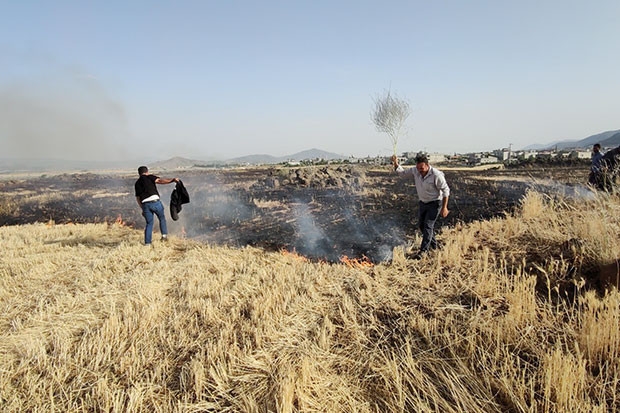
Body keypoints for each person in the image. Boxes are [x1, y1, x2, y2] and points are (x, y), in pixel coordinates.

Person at [391, 153, 450, 259]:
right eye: (418, 168)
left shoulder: (436, 175)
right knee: (422, 226)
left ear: (427, 165)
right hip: (423, 203)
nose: (420, 171)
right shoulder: (415, 170)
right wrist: (395, 163)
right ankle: (435, 246)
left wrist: (444, 207)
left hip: (435, 203)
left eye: (422, 168)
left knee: (428, 225)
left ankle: (423, 252)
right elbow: (402, 173)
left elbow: (446, 191)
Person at [134, 166, 179, 245]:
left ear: (139, 173)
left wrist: (143, 208)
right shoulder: (150, 177)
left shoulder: (137, 183)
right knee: (161, 218)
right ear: (147, 172)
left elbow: (138, 198)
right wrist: (172, 180)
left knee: (149, 223)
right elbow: (160, 181)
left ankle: (148, 243)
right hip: (155, 202)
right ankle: (164, 237)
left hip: (145, 204)